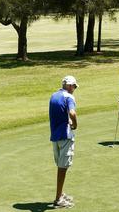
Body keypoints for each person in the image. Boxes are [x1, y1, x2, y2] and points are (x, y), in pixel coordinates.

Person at [49, 75, 78, 208]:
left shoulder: (53, 95)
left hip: (55, 136)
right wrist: (75, 125)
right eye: (74, 86)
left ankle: (60, 193)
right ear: (69, 86)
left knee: (60, 166)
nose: (74, 89)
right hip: (65, 136)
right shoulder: (69, 97)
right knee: (63, 168)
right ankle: (58, 199)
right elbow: (72, 113)